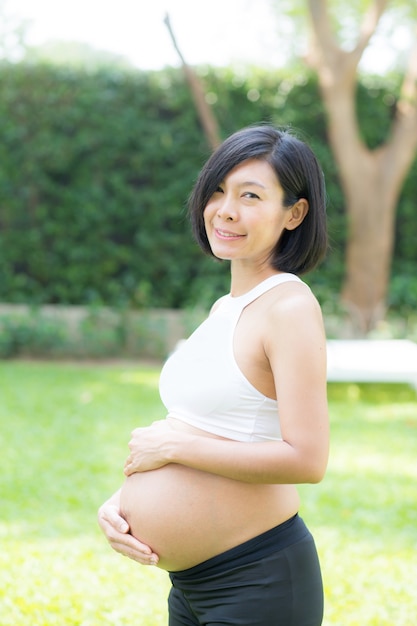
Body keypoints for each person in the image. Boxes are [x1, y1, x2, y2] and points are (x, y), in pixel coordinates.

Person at [98, 124, 329, 625]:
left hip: (259, 580)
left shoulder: (288, 307)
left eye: (250, 195)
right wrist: (119, 505)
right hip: (193, 585)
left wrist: (174, 451)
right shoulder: (226, 307)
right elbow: (203, 424)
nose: (225, 209)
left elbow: (307, 459)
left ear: (295, 213)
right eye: (218, 191)